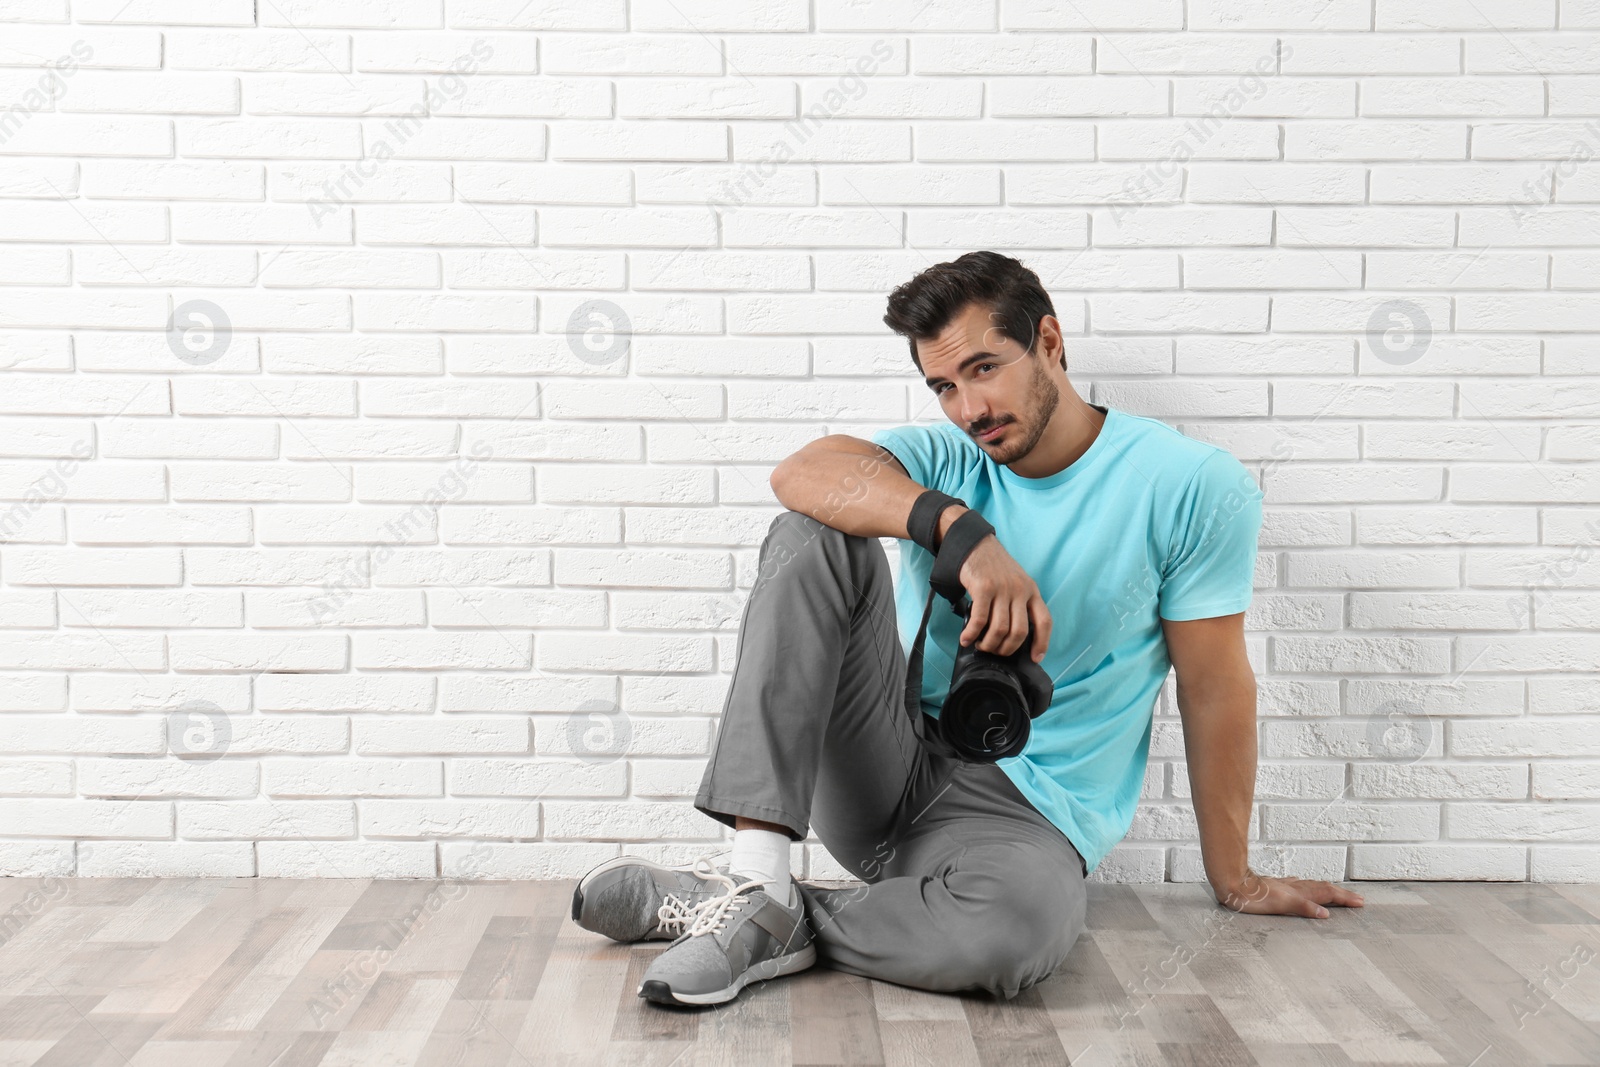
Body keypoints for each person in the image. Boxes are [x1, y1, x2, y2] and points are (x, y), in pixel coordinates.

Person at [570, 250, 1365, 1009]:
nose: (969, 408)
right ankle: (757, 871)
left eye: (984, 367)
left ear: (1047, 341)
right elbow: (799, 474)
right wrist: (957, 531)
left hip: (1025, 818)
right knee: (811, 534)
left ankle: (761, 909)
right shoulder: (949, 461)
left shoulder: (1192, 485)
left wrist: (1236, 877)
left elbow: (1216, 683)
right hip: (889, 764)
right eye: (943, 385)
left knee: (1013, 939)